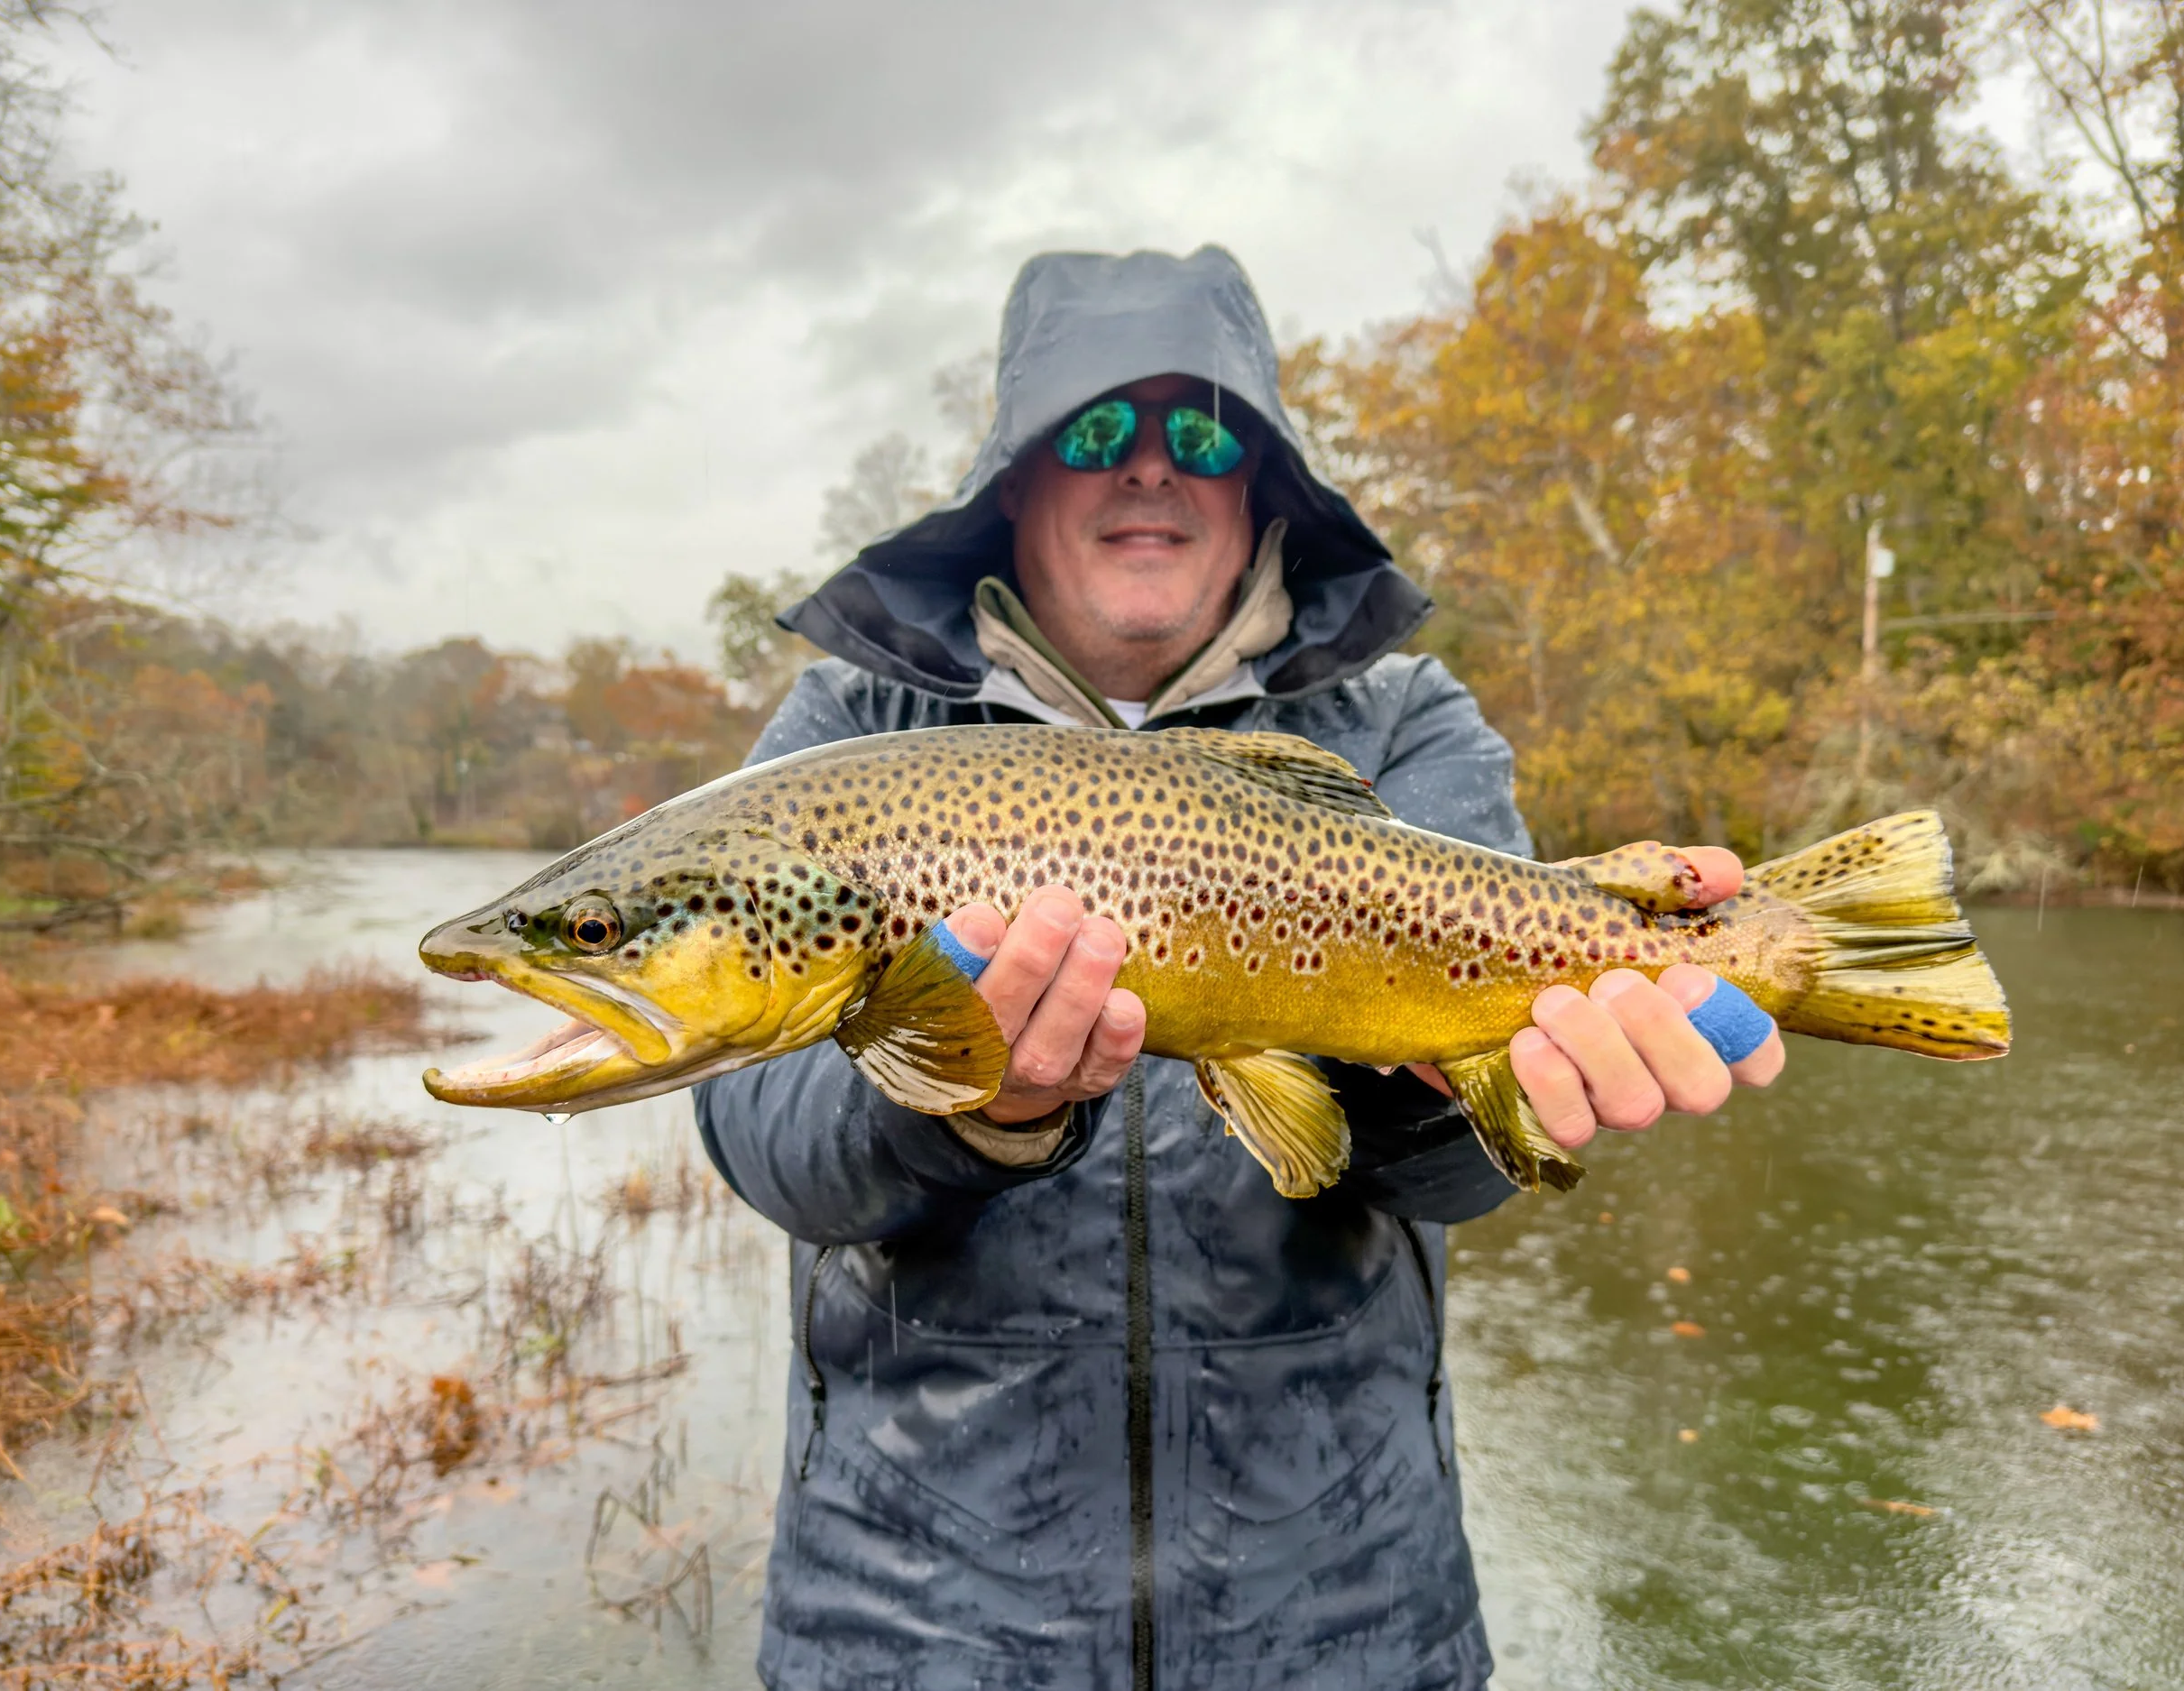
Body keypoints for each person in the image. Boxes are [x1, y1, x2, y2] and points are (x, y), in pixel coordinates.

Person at [695, 245, 1784, 1690]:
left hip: (1349, 1623)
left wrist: (1445, 1090)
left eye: (1200, 434)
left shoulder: (1400, 719)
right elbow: (764, 1134)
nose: (1150, 469)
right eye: (1095, 432)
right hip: (909, 1631)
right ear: (1016, 480)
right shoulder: (854, 721)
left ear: (1261, 485)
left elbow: (1457, 1170)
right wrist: (970, 1100)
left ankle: (1820, 941)